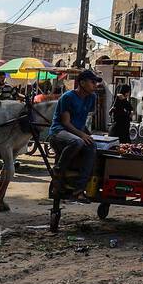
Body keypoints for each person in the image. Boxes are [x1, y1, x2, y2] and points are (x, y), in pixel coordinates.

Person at [49, 70, 101, 207]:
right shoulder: (68, 97)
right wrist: (82, 135)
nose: (95, 85)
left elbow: (82, 120)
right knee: (77, 141)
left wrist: (89, 135)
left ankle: (79, 190)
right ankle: (58, 171)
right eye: (92, 82)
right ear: (82, 83)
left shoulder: (92, 97)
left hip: (76, 132)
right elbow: (66, 123)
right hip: (59, 132)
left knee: (92, 146)